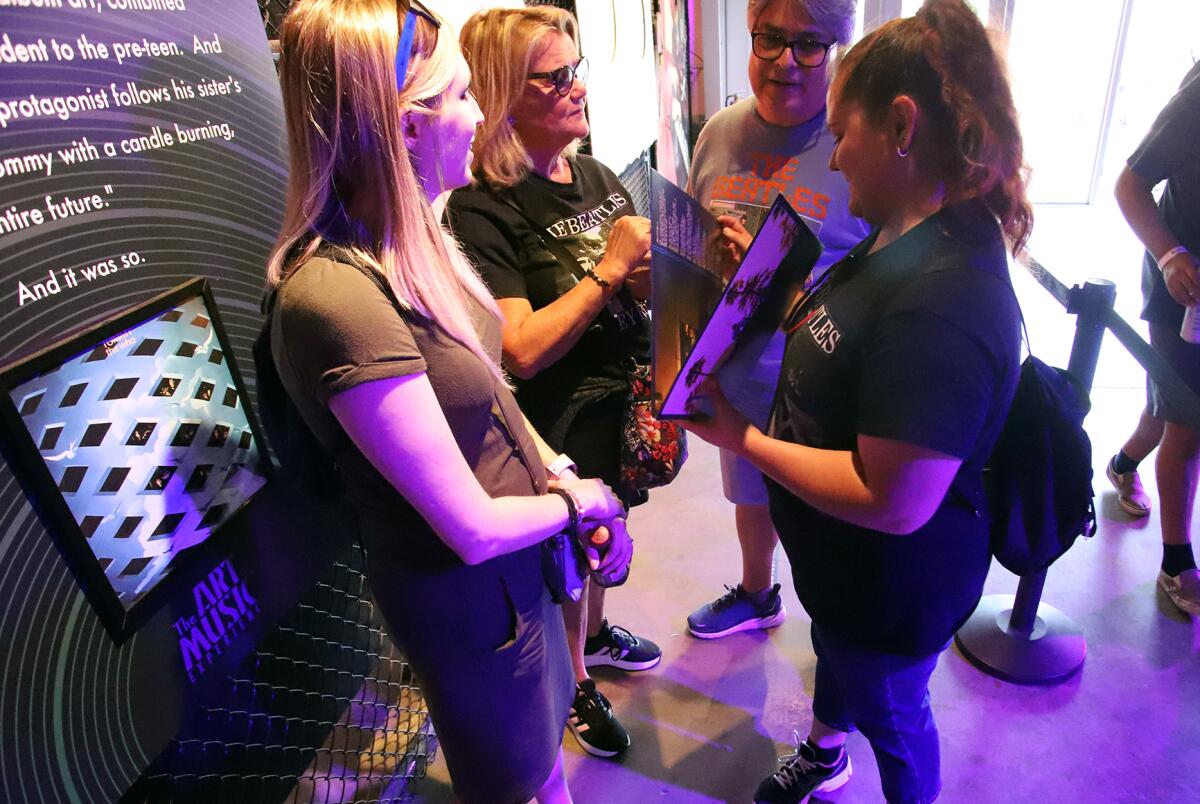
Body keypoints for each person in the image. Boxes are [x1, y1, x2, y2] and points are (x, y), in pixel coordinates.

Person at [266, 2, 630, 801]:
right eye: (463, 96)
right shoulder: (335, 298)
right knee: (519, 784)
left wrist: (560, 474)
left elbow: (492, 393)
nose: (478, 117)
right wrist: (586, 501)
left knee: (543, 771)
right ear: (402, 127)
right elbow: (466, 527)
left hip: (516, 571)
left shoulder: (414, 240)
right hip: (474, 603)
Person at [683, 1, 1030, 801]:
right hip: (844, 577)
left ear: (902, 127)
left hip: (891, 585)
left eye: (843, 133)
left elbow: (893, 500)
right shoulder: (900, 232)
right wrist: (770, 282)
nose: (833, 161)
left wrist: (743, 437)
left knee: (896, 713)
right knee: (842, 659)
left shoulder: (945, 303)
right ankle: (826, 749)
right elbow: (847, 321)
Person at [447, 7, 661, 759]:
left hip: (619, 404)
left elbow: (636, 295)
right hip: (558, 423)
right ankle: (573, 685)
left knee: (609, 536)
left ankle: (596, 639)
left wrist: (659, 280)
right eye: (556, 76)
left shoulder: (597, 176)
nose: (577, 88)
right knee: (572, 557)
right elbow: (523, 349)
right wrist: (609, 271)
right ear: (505, 95)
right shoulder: (484, 209)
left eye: (577, 70)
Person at [684, 0, 868, 639]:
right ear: (751, 36)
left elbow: (881, 285)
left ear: (837, 48)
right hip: (741, 377)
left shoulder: (854, 144)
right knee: (752, 497)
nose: (786, 61)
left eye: (809, 44)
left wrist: (778, 272)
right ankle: (759, 593)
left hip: (826, 388)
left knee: (831, 533)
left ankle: (839, 653)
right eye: (771, 38)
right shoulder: (719, 133)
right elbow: (690, 241)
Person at [1105, 61, 1200, 615]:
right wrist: (1170, 256)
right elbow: (1130, 184)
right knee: (1187, 423)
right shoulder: (1196, 100)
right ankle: (1177, 559)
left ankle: (1121, 463)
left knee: (1166, 412)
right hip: (1184, 286)